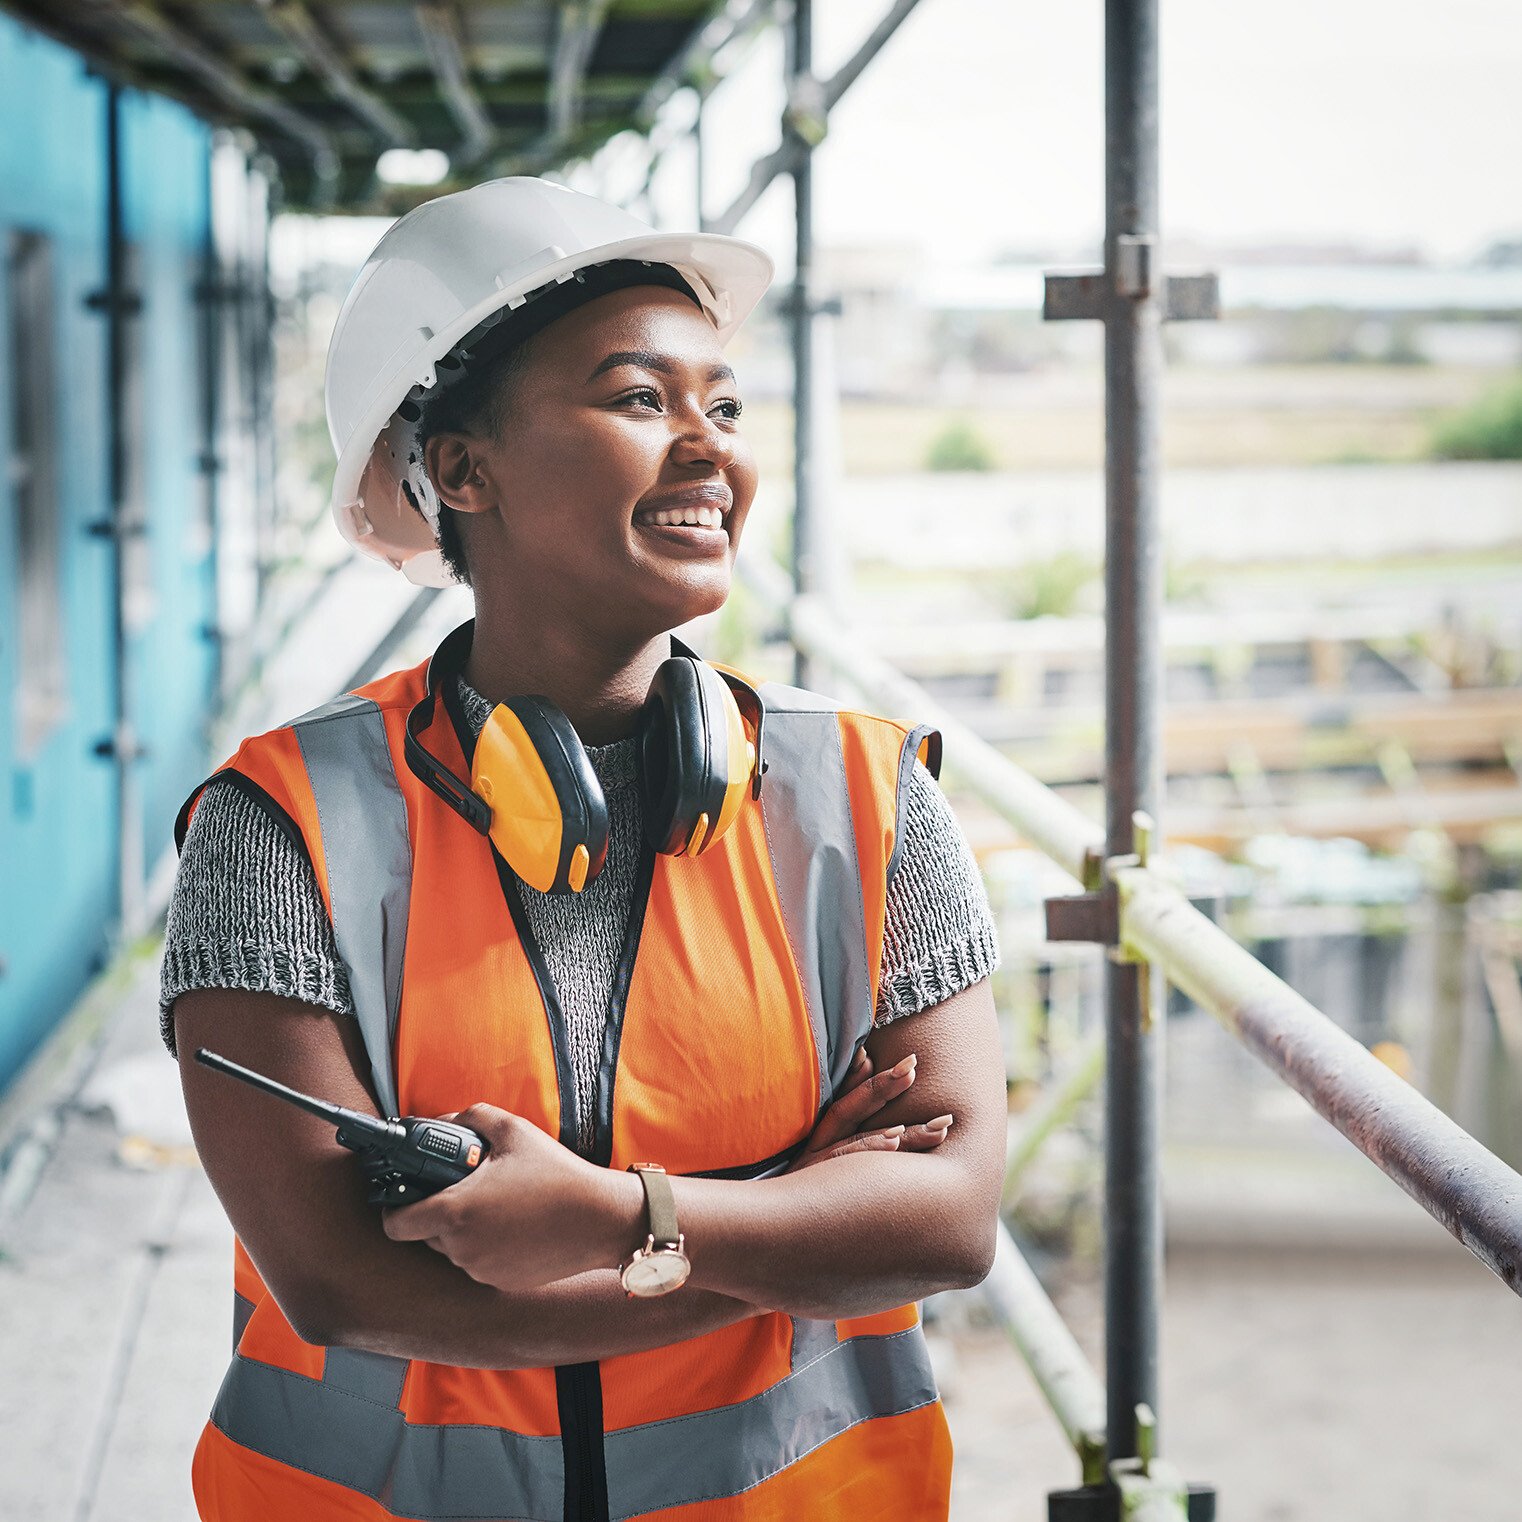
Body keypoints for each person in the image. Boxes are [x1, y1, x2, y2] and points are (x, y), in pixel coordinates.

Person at [162, 177, 1006, 1522]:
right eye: (636, 397)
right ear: (462, 467)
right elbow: (343, 1285)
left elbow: (948, 1222)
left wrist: (617, 1217)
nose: (705, 445)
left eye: (722, 404)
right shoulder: (279, 827)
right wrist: (793, 1221)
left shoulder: (867, 797)